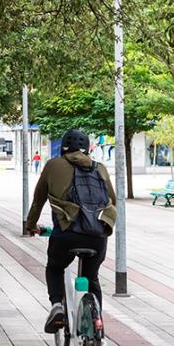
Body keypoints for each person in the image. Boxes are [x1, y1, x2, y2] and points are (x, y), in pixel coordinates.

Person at [25, 129, 117, 334]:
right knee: (91, 278)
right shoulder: (99, 167)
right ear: (88, 148)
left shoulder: (52, 165)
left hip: (66, 235)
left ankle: (57, 305)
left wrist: (31, 225)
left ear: (63, 147)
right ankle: (97, 322)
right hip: (97, 236)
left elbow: (38, 200)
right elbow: (113, 199)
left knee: (55, 267)